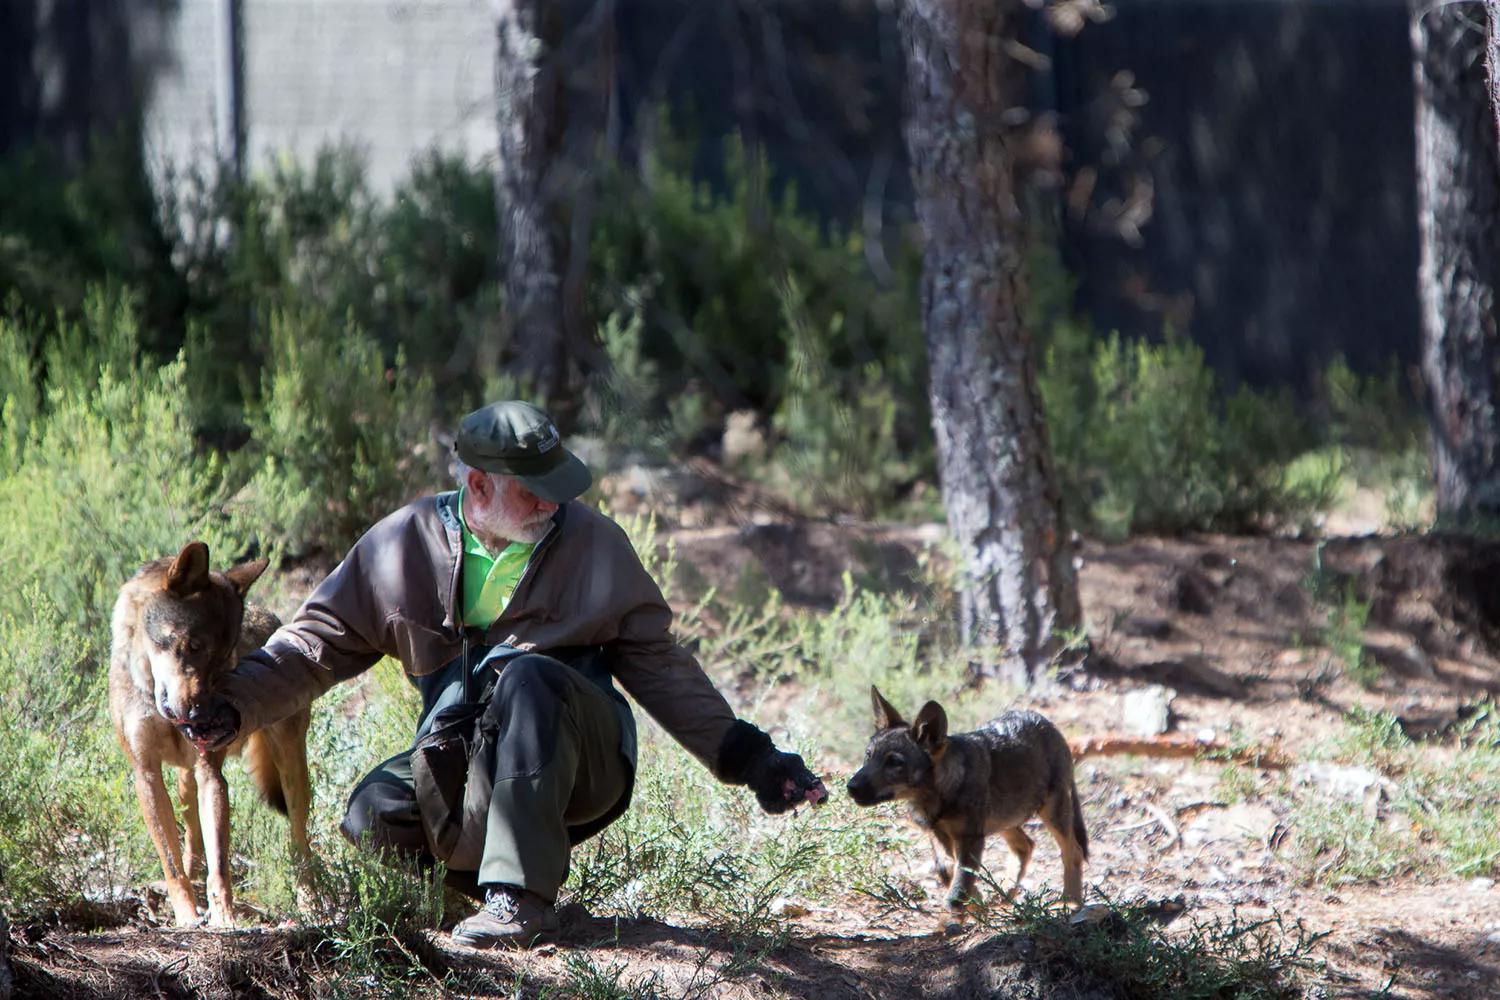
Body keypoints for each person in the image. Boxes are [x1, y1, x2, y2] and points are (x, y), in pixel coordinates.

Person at [176, 400, 828, 948]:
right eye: (533, 488)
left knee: (528, 678)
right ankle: (479, 899)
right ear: (478, 486)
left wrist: (751, 757)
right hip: (474, 756)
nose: (555, 501)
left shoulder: (594, 545)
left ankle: (520, 899)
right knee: (372, 813)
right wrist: (234, 702)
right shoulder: (402, 546)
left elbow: (660, 664)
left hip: (584, 755)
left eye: (558, 482)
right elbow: (313, 644)